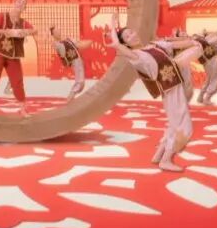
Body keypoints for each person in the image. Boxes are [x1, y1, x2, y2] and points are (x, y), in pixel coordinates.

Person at [106, 17, 203, 172]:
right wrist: (113, 25)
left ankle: (159, 155)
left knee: (174, 124)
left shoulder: (154, 45)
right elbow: (117, 45)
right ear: (126, 44)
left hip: (176, 83)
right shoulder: (135, 55)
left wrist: (194, 42)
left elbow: (174, 44)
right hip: (169, 89)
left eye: (131, 32)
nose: (132, 36)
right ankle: (166, 160)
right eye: (127, 37)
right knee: (183, 127)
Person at [0, 0, 35, 118]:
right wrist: (4, 32)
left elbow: (34, 30)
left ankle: (22, 110)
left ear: (24, 8)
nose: (20, 4)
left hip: (13, 56)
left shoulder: (23, 23)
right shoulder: (3, 16)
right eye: (19, 1)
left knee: (17, 81)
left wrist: (25, 32)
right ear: (14, 3)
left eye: (23, 3)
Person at [50, 25, 92, 101]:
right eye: (55, 32)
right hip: (73, 61)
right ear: (53, 35)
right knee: (79, 83)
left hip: (78, 60)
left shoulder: (68, 40)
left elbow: (79, 45)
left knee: (81, 84)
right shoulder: (56, 44)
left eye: (58, 30)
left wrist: (88, 42)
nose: (58, 32)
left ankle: (71, 98)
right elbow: (61, 51)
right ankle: (69, 98)